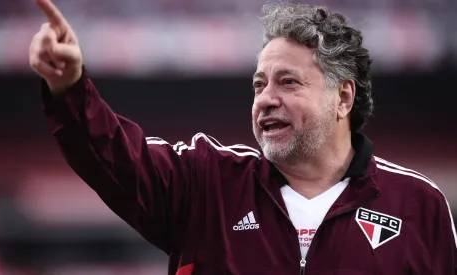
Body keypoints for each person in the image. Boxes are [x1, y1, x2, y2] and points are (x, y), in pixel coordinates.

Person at [29, 0, 457, 274]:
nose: (266, 99)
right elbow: (116, 158)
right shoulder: (205, 183)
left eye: (288, 83)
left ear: (342, 97)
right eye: (258, 84)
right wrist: (69, 88)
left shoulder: (420, 206)